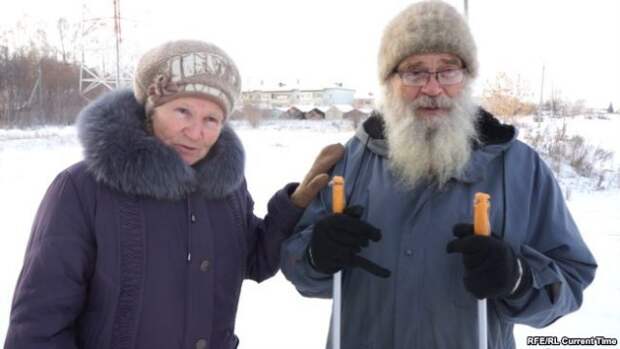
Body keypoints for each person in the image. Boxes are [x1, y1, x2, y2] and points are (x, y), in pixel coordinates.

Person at [280, 1, 597, 348]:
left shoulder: (519, 167)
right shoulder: (349, 162)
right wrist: (315, 255)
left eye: (447, 70)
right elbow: (298, 267)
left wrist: (518, 278)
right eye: (415, 72)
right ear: (390, 82)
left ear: (467, 77)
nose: (432, 88)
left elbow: (571, 277)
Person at [4, 39, 344, 349]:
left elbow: (253, 259)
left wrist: (294, 206)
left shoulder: (225, 188)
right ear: (150, 108)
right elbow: (38, 327)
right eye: (183, 111)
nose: (196, 132)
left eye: (212, 118)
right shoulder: (83, 190)